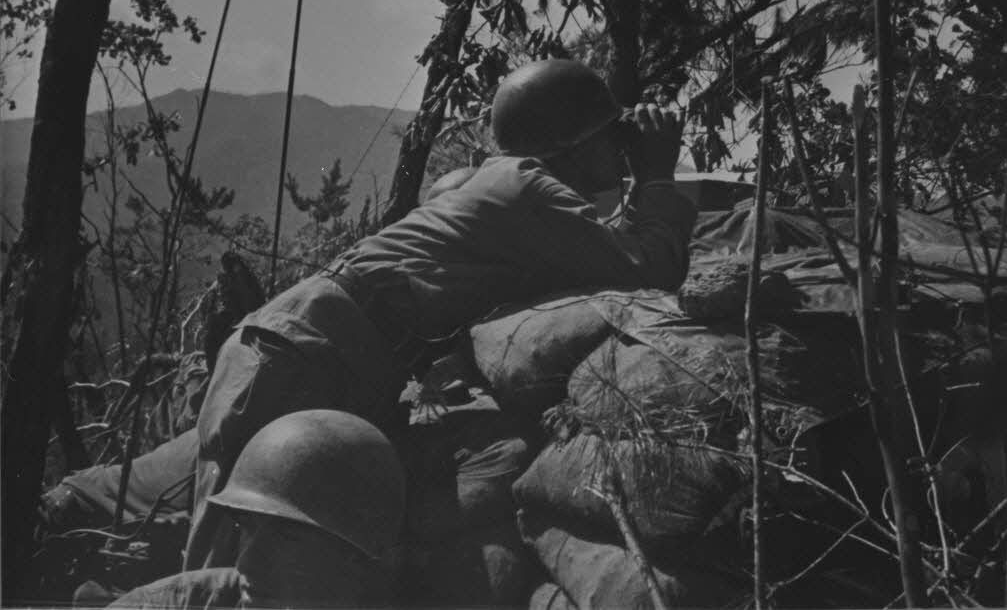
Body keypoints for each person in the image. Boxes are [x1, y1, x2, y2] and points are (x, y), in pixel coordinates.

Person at [186, 59, 696, 568]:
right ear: (574, 142)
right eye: (610, 135)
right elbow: (644, 269)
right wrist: (655, 176)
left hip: (325, 352)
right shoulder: (523, 187)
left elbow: (605, 265)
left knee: (294, 555)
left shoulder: (515, 190)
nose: (619, 148)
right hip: (306, 353)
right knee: (236, 548)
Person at [110, 410, 404, 609]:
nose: (247, 563)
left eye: (287, 538)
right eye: (247, 528)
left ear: (358, 560)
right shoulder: (191, 600)